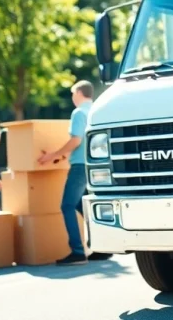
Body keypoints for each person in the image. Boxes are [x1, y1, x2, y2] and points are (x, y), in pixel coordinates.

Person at [37, 80, 111, 265]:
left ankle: (77, 251)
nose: (72, 98)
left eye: (72, 94)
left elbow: (76, 140)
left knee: (67, 206)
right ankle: (103, 247)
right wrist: (62, 156)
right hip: (94, 165)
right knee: (82, 206)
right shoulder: (96, 110)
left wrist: (52, 155)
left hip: (79, 166)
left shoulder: (78, 113)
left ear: (78, 93)